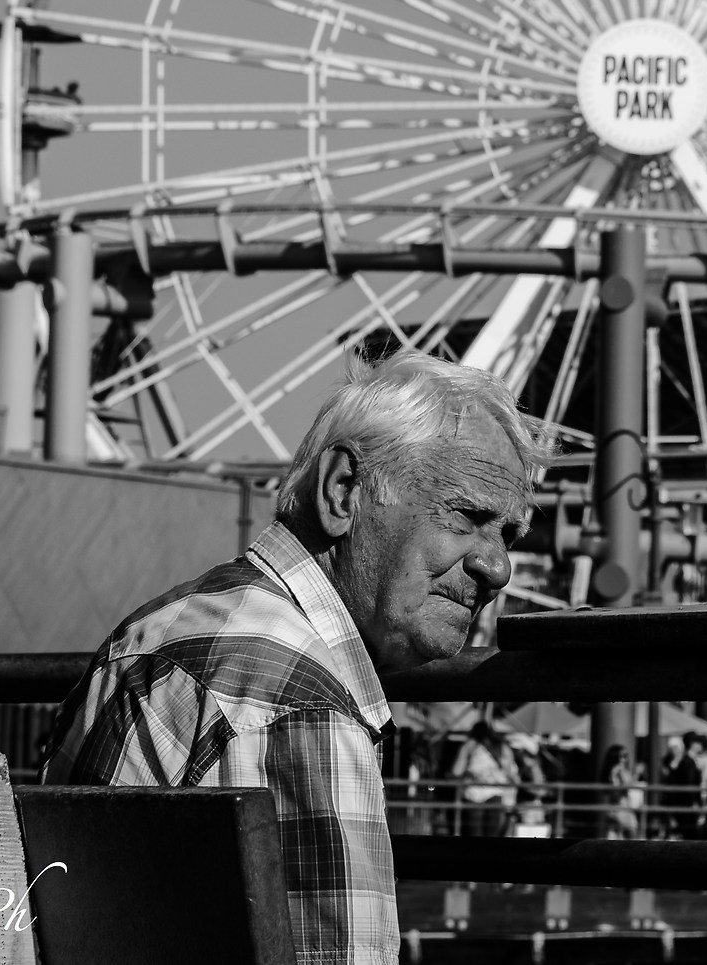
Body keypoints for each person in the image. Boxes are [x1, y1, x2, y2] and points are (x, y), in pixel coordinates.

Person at [45, 348, 541, 965]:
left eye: (509, 534)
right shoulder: (301, 699)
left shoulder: (159, 628)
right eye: (467, 516)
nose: (498, 566)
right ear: (343, 492)